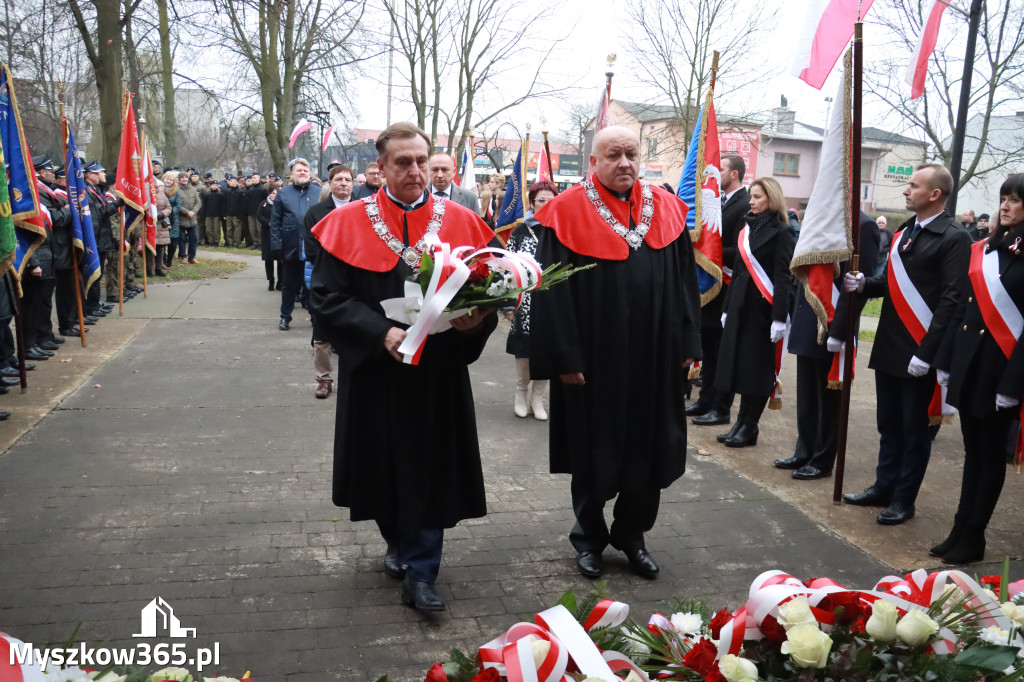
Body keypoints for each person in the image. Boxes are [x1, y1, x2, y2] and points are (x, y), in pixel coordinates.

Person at [309, 122, 497, 612]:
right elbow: (326, 299)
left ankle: (422, 570)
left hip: (437, 375)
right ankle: (396, 539)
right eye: (403, 163)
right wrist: (380, 333)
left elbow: (486, 298)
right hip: (376, 372)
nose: (416, 172)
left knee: (429, 469)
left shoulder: (463, 219)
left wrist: (475, 323)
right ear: (382, 168)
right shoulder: (347, 221)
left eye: (422, 161)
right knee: (380, 469)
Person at [529, 126, 702, 580]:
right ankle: (588, 537)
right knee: (592, 448)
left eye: (631, 153)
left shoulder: (667, 208)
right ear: (594, 161)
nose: (624, 162)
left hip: (656, 356)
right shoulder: (564, 213)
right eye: (613, 154)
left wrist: (688, 342)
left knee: (650, 449)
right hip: (593, 360)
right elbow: (550, 291)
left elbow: (686, 283)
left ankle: (632, 534)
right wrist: (565, 357)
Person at [843, 164, 971, 525]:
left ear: (935, 195)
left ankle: (903, 499)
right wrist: (865, 283)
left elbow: (952, 299)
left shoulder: (954, 237)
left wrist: (928, 354)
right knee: (889, 424)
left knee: (915, 432)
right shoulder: (905, 231)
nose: (906, 191)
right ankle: (883, 487)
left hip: (920, 349)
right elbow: (891, 281)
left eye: (914, 186)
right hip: (890, 344)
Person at [931, 174, 1024, 564]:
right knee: (973, 451)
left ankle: (974, 534)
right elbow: (964, 308)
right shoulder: (985, 249)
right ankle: (960, 527)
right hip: (971, 364)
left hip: (1002, 369)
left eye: (1016, 200)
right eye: (1004, 198)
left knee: (989, 454)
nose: (1006, 206)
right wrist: (948, 361)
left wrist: (1014, 382)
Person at [774, 211, 880, 479]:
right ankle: (804, 451)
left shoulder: (862, 225)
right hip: (809, 316)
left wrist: (841, 330)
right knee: (807, 396)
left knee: (829, 399)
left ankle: (822, 459)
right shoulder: (821, 216)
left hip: (834, 321)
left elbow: (857, 283)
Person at [714, 177, 797, 448]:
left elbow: (784, 276)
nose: (752, 201)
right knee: (740, 368)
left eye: (758, 196)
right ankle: (740, 421)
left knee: (757, 371)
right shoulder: (746, 229)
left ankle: (750, 426)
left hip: (763, 311)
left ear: (771, 198)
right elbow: (738, 271)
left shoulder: (782, 231)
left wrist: (778, 316)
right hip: (740, 306)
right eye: (751, 196)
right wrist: (726, 308)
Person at [689, 154, 750, 426]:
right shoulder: (716, 201)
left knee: (724, 351)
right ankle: (705, 400)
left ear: (734, 173)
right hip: (710, 286)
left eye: (721, 170)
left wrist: (707, 253)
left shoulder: (746, 204)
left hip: (728, 286)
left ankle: (721, 407)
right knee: (709, 349)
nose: (715, 175)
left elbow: (742, 249)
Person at [302, 164, 354, 399]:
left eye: (348, 179)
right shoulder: (316, 212)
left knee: (354, 330)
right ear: (330, 184)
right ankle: (323, 380)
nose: (343, 183)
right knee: (322, 334)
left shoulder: (364, 210)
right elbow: (312, 249)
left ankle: (353, 378)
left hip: (357, 281)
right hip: (326, 279)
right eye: (339, 179)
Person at [505, 180, 555, 420]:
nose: (546, 204)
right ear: (532, 203)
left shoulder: (560, 229)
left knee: (546, 346)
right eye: (541, 200)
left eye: (550, 199)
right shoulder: (520, 230)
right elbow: (508, 268)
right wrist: (508, 303)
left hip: (551, 301)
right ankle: (521, 392)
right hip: (524, 299)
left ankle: (538, 397)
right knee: (524, 348)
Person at [270, 159, 317, 331]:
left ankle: (315, 317)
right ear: (292, 174)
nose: (302, 173)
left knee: (313, 286)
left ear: (310, 173)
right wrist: (276, 245)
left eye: (305, 170)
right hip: (290, 247)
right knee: (289, 285)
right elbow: (275, 222)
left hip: (313, 249)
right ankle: (285, 317)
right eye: (299, 170)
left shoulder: (318, 192)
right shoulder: (283, 194)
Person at [258, 185, 282, 291]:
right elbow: (259, 216)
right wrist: (268, 223)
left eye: (276, 193)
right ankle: (271, 281)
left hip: (278, 234)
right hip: (267, 233)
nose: (274, 196)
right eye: (272, 193)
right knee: (269, 259)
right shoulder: (263, 203)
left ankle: (280, 281)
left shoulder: (281, 204)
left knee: (280, 260)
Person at [177, 172, 202, 264]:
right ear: (179, 179)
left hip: (192, 219)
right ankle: (183, 256)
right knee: (182, 239)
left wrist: (193, 212)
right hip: (181, 218)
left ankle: (192, 257)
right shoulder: (176, 190)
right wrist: (186, 212)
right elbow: (176, 204)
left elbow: (198, 202)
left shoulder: (193, 189)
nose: (184, 179)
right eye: (182, 178)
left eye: (185, 177)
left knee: (194, 238)